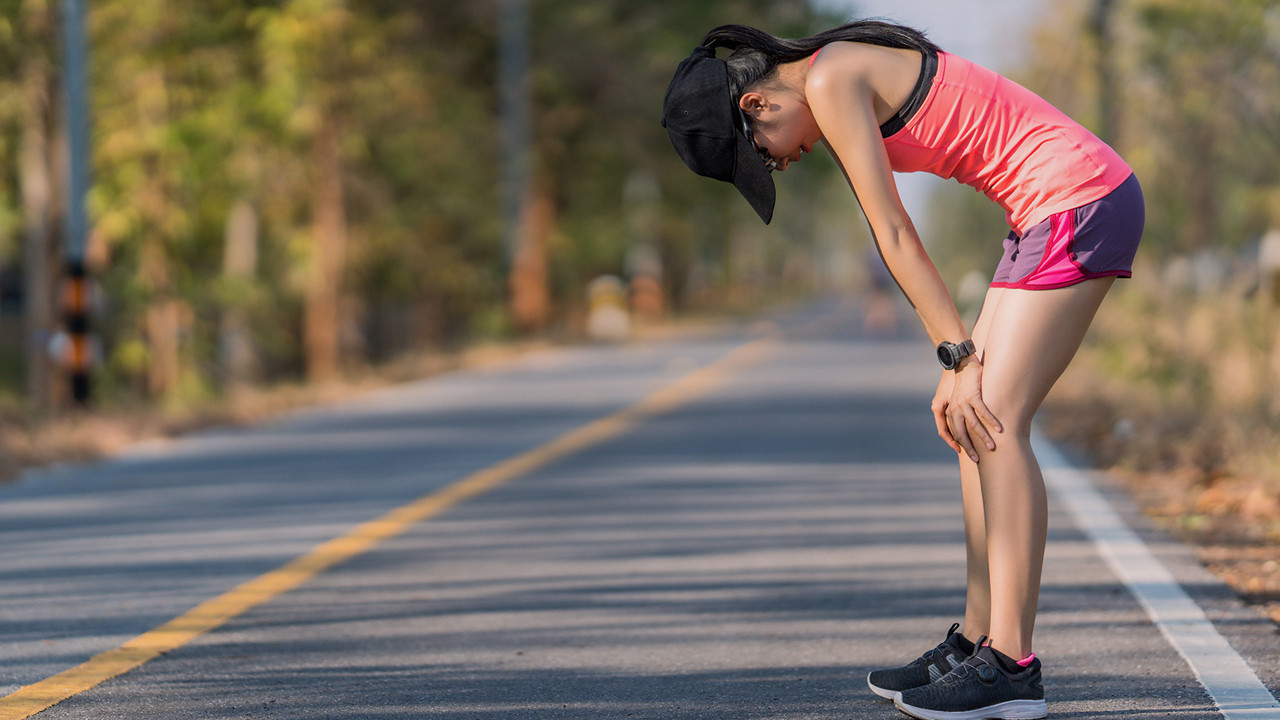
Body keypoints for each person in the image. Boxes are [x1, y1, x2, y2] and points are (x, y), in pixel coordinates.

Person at [660, 19, 1144, 720]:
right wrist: (957, 367)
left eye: (760, 156)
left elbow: (890, 229)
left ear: (755, 106)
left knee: (994, 419)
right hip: (1046, 209)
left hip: (1079, 199)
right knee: (967, 422)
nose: (778, 163)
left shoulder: (830, 79)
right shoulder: (831, 76)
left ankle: (1012, 664)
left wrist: (956, 356)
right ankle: (979, 640)